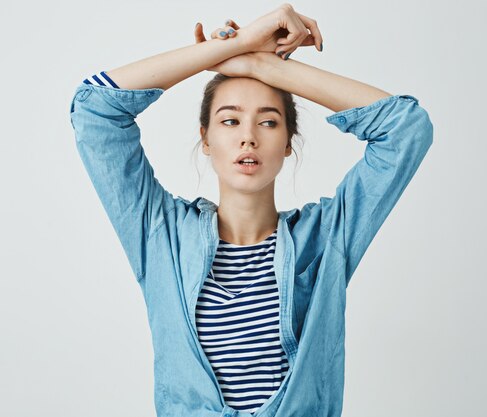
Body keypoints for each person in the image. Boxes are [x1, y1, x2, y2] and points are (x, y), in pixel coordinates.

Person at [69, 4, 433, 417]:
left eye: (268, 121)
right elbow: (94, 108)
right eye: (229, 121)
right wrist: (232, 46)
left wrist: (266, 67)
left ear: (288, 142)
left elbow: (407, 129)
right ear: (205, 138)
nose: (248, 138)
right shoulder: (161, 235)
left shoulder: (326, 238)